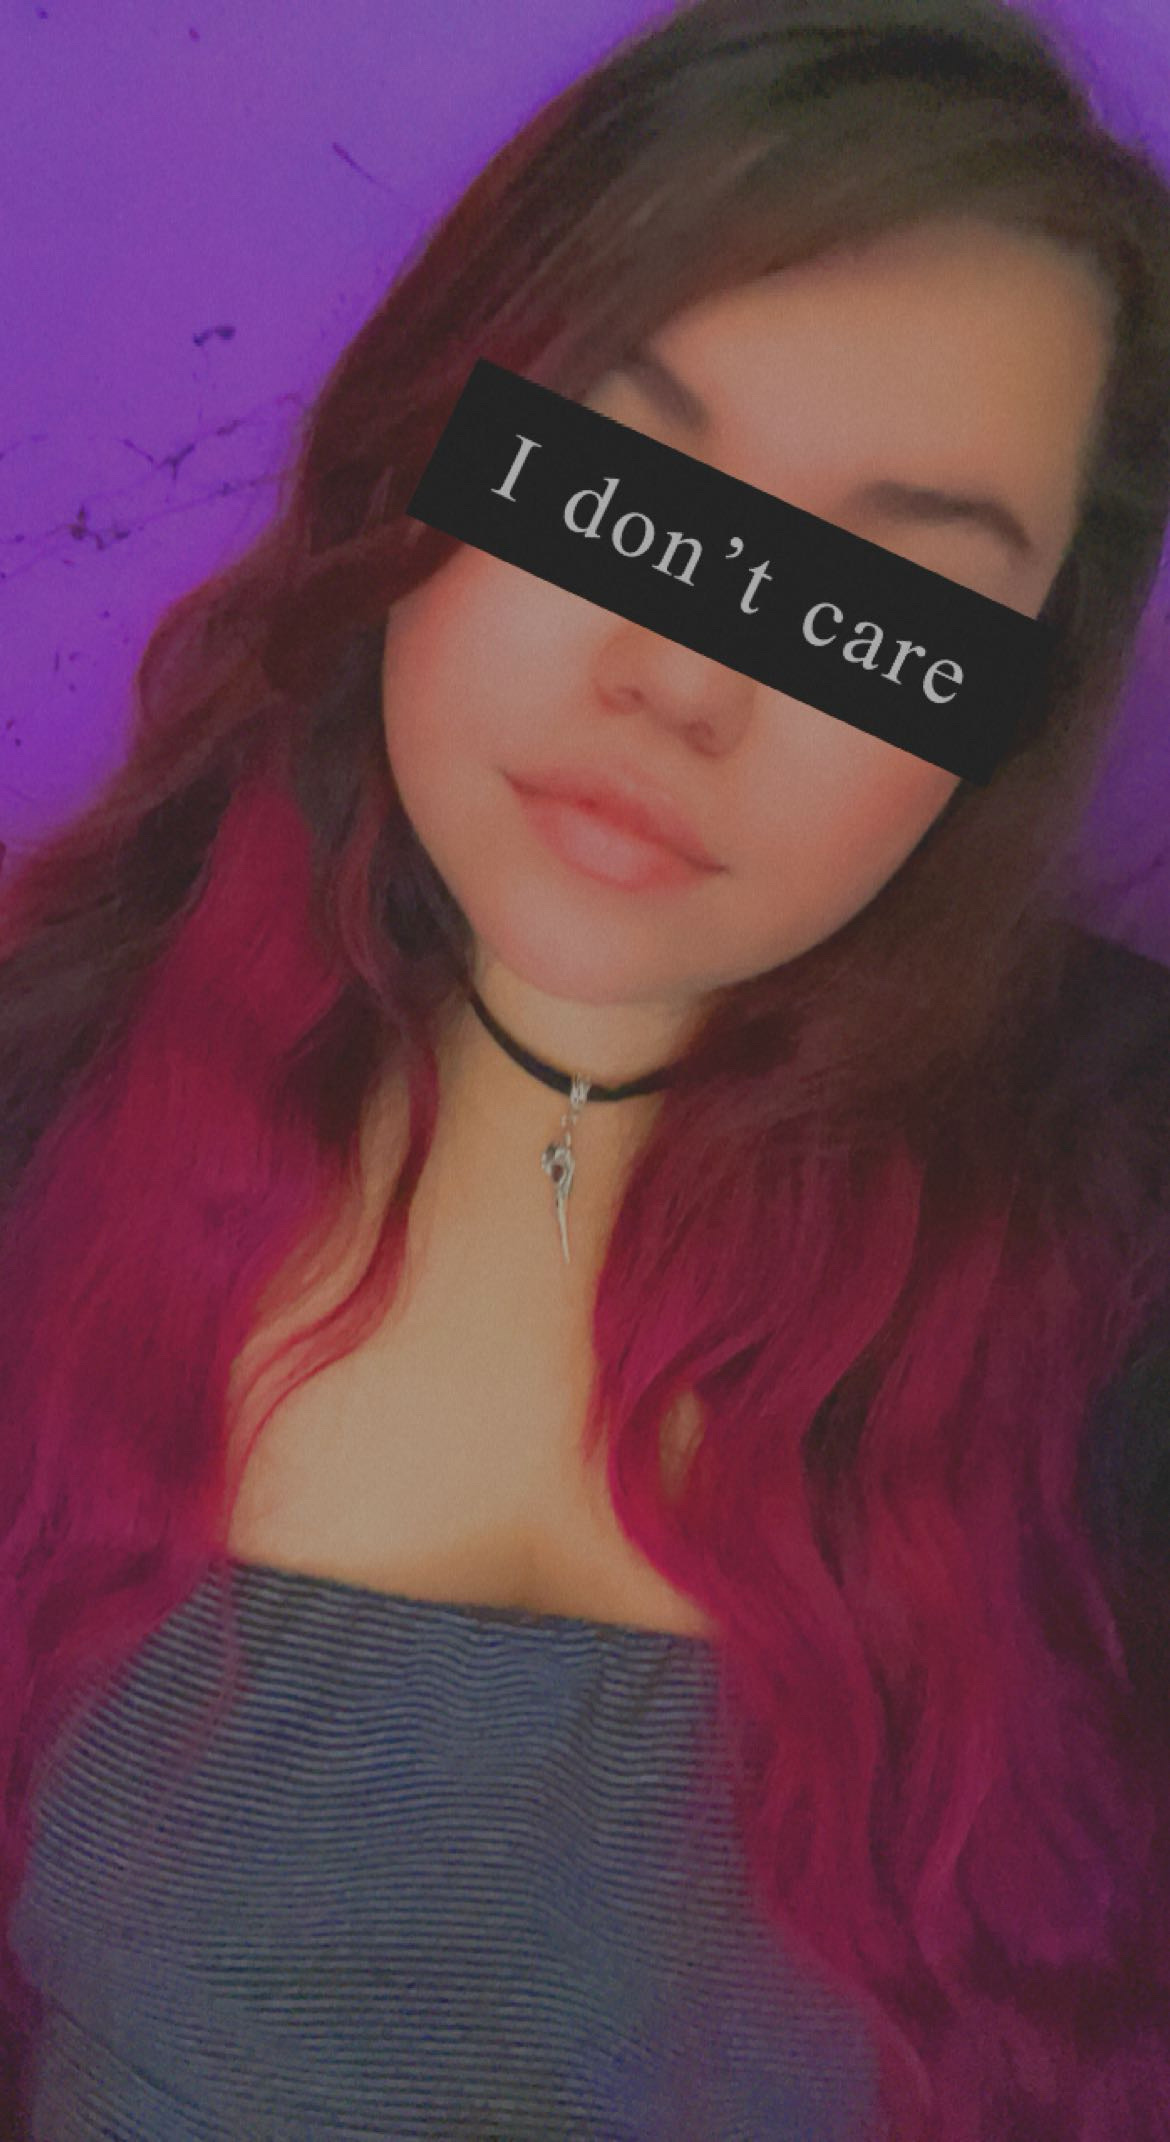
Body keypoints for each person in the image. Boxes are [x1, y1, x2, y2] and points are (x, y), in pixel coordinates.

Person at [1, 1, 1168, 2136]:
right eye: (616, 489)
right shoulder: (38, 1083)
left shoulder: (1131, 1235)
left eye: (881, 596)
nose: (687, 679)